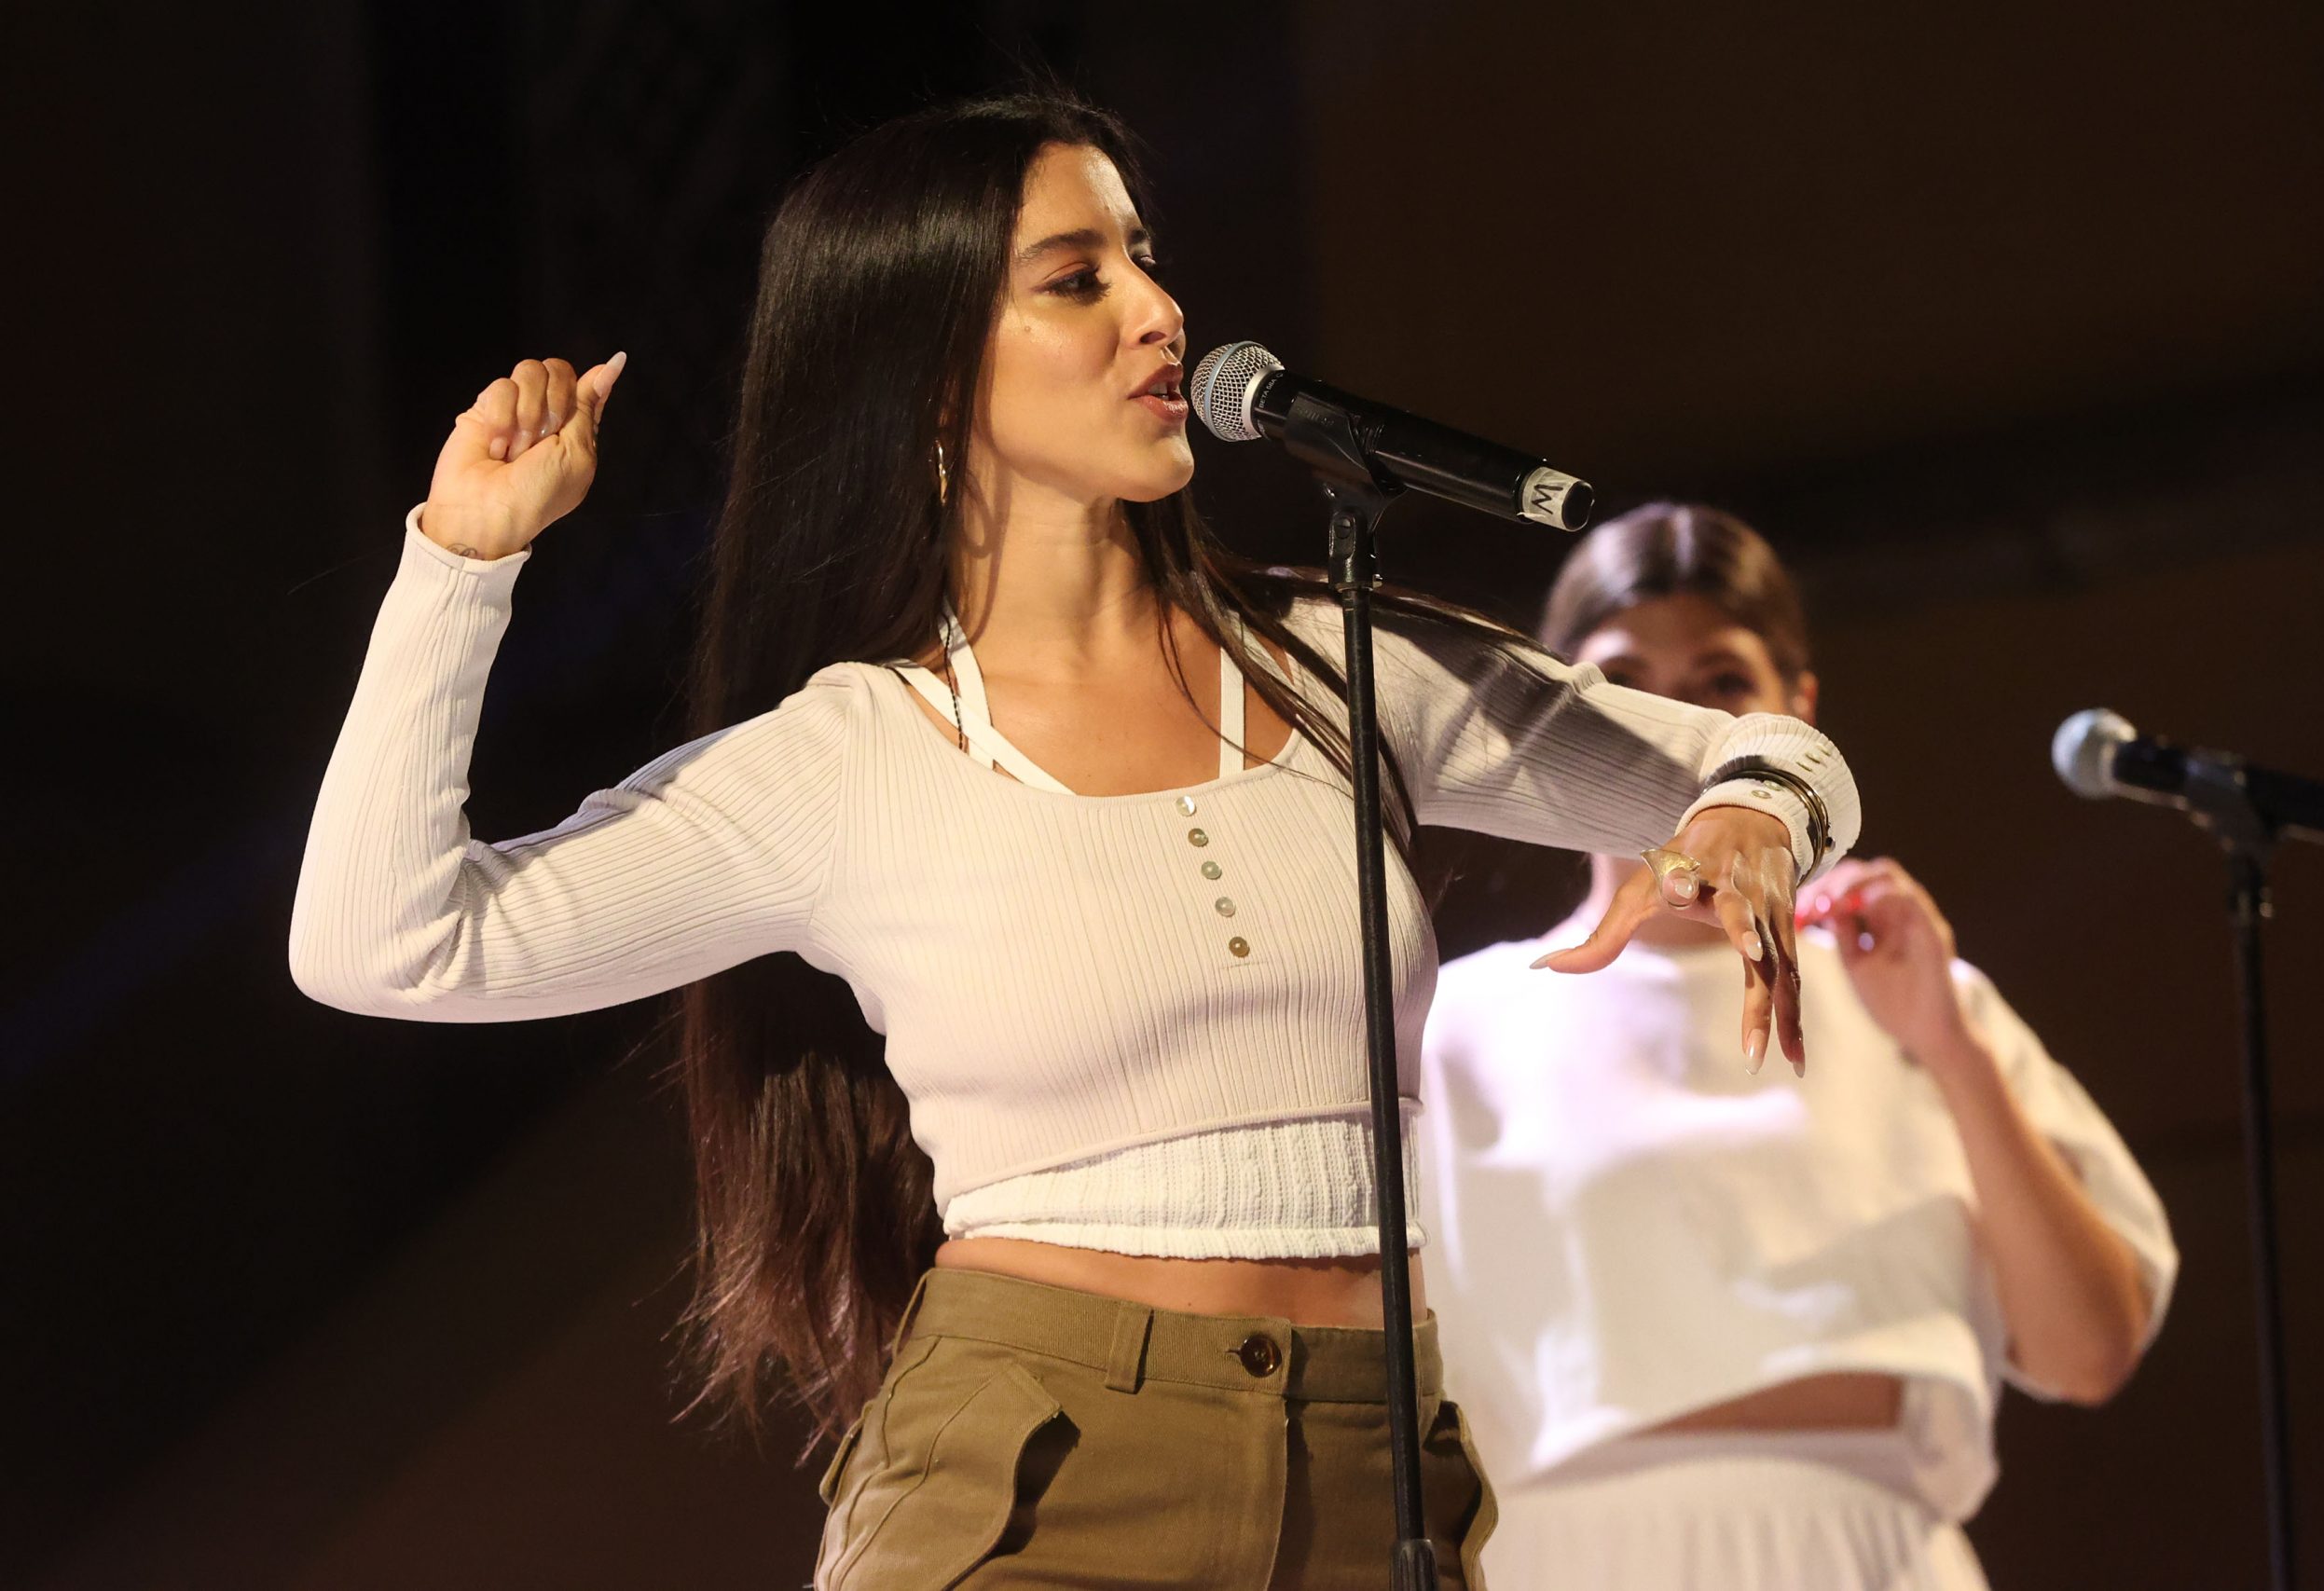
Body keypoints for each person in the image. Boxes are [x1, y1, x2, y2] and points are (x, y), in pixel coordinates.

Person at [288, 93, 1860, 1589]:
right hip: (1040, 1471)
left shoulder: (1336, 669)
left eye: (1145, 259)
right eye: (1076, 278)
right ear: (927, 369)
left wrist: (1747, 810)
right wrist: (459, 567)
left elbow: (1782, 756)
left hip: (1375, 1461)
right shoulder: (849, 756)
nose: (1160, 312)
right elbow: (387, 943)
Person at [1417, 502, 2175, 1589]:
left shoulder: (1911, 994)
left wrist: (1948, 1047)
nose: (1674, 722)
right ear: (1553, 714)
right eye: (1622, 680)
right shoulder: (1453, 1023)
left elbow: (2087, 1353)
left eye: (1722, 682)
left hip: (1870, 1553)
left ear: (1795, 716)